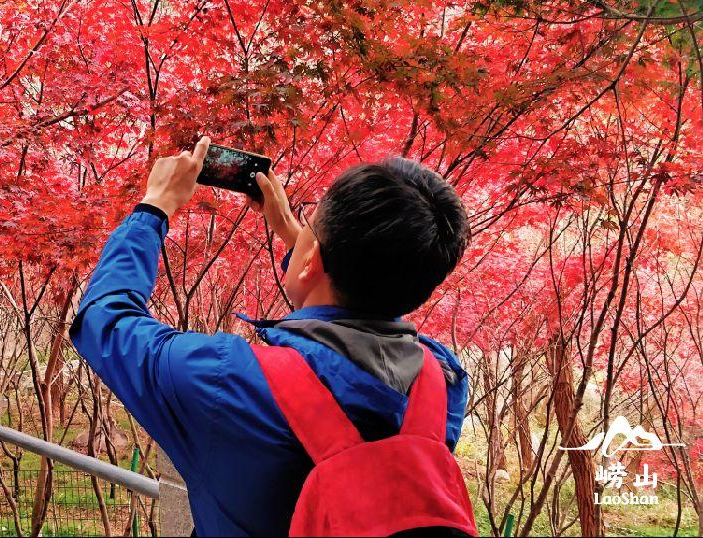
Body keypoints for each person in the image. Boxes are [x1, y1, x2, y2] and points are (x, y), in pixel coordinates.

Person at [69, 137, 472, 536]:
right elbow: (361, 309)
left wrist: (154, 205)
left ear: (312, 258)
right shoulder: (442, 383)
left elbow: (103, 319)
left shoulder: (224, 380)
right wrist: (297, 236)